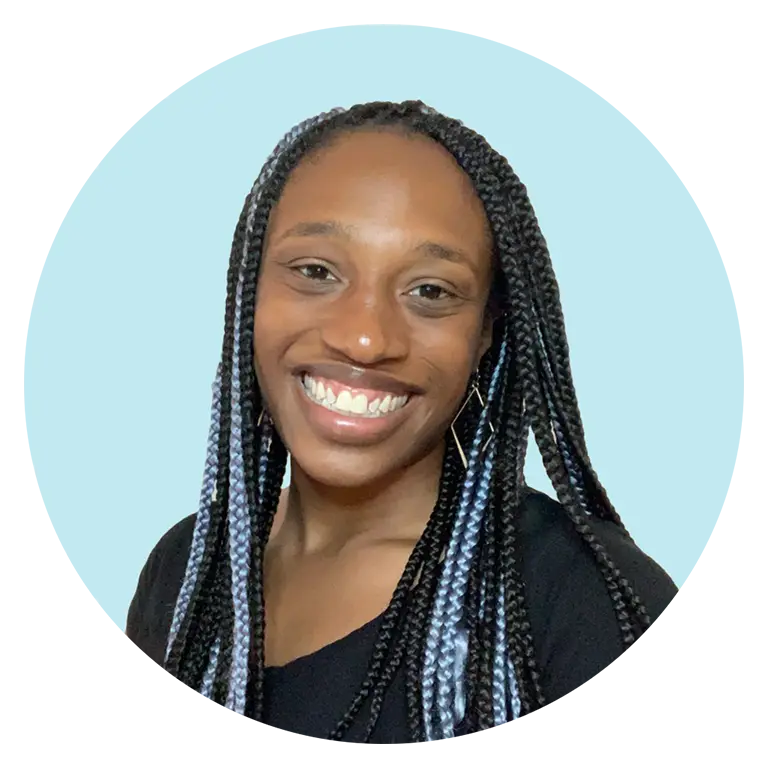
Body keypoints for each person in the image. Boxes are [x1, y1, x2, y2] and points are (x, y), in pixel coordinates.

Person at [125, 100, 679, 743]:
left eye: (430, 291)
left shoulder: (584, 604)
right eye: (316, 272)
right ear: (250, 288)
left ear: (485, 331)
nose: (365, 339)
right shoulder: (187, 572)